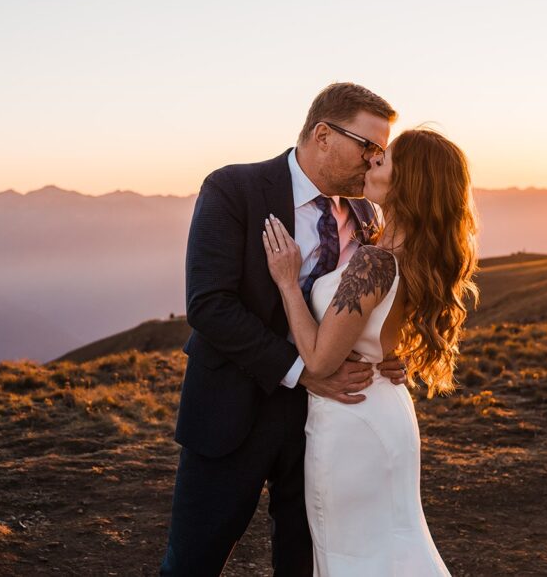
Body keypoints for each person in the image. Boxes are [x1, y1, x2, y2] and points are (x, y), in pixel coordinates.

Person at [160, 83, 409, 576]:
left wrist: (384, 352)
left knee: (303, 563)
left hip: (323, 421)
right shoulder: (234, 189)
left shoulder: (367, 214)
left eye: (382, 150)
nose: (376, 160)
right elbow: (209, 305)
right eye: (370, 146)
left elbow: (364, 306)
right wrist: (301, 370)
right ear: (322, 134)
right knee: (193, 561)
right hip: (231, 408)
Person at [262, 126, 479, 575]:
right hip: (379, 407)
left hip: (352, 417)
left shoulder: (374, 261)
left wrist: (287, 283)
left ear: (409, 181)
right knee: (391, 543)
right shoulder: (402, 251)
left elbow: (321, 361)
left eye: (387, 158)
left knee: (355, 554)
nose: (373, 160)